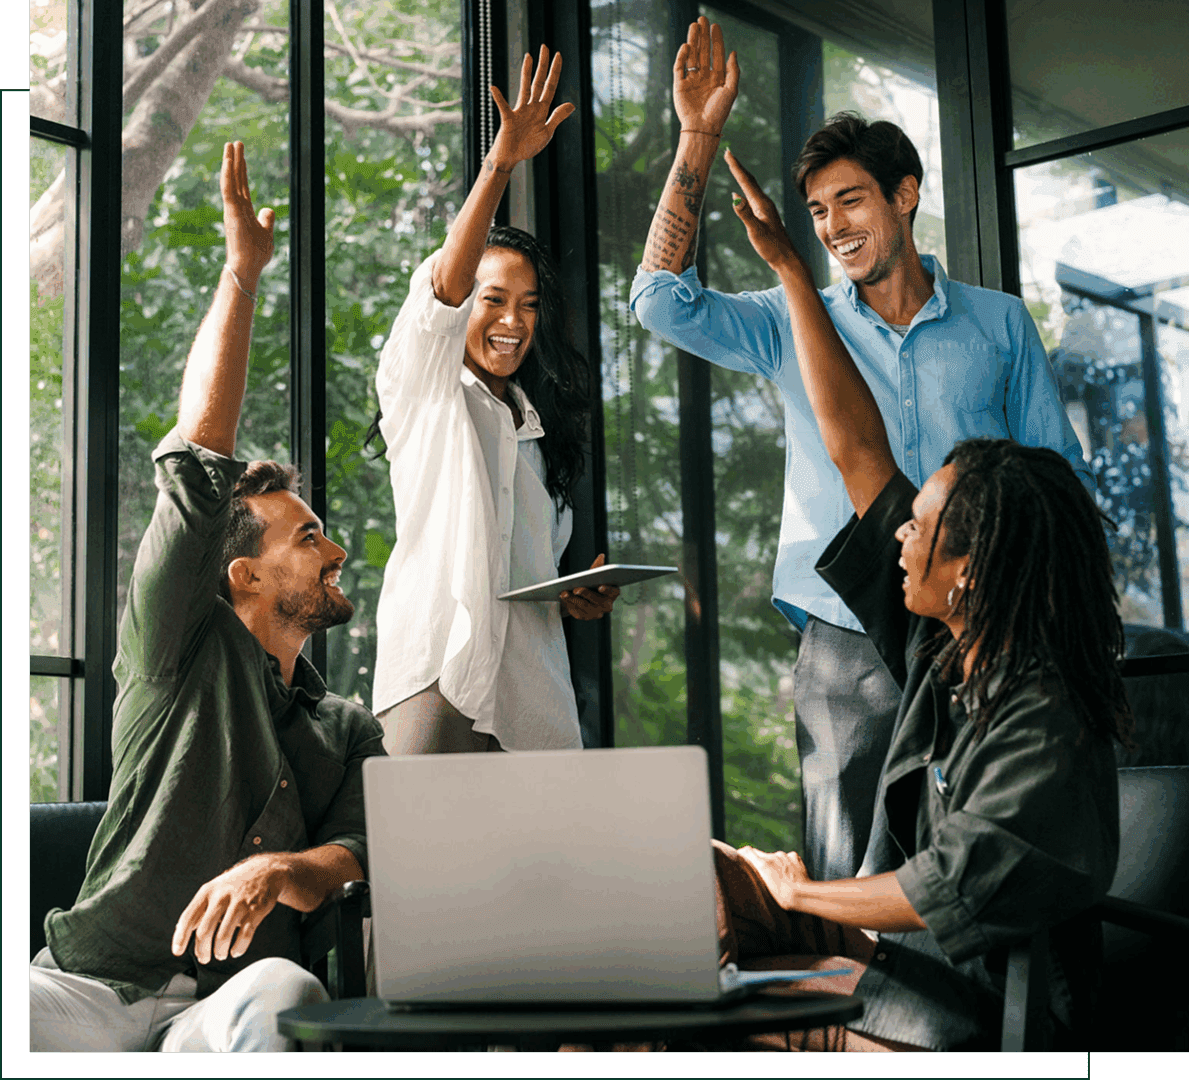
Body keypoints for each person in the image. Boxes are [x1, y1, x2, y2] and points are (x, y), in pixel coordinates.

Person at [631, 17, 1095, 883]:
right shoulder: (787, 322)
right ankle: (846, 1020)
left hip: (976, 626)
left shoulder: (997, 322)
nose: (832, 225)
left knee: (962, 858)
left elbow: (1052, 474)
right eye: (816, 211)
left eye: (849, 200)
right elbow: (657, 301)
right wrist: (697, 136)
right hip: (843, 635)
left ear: (904, 195)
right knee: (844, 858)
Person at [706, 149, 1129, 1050]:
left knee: (689, 1026)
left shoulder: (1039, 713)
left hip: (962, 1023)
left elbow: (939, 887)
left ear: (971, 568)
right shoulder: (947, 650)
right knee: (682, 965)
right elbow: (858, 452)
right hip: (891, 988)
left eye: (922, 523)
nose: (899, 532)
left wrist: (793, 891)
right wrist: (789, 270)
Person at [30, 142, 386, 1053]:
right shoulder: (174, 648)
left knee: (289, 990)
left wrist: (279, 870)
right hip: (89, 987)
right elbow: (196, 463)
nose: (336, 549)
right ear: (244, 575)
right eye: (308, 537)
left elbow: (356, 853)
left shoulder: (347, 728)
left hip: (224, 1004)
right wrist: (240, 276)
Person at [369, 46, 618, 755]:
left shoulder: (538, 432)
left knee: (546, 868)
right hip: (436, 681)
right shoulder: (424, 391)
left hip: (534, 697)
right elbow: (441, 294)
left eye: (528, 306)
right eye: (494, 300)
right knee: (425, 866)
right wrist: (498, 167)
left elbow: (531, 575)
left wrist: (577, 594)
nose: (512, 322)